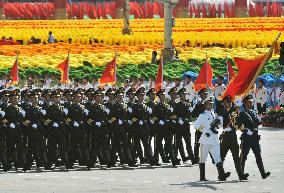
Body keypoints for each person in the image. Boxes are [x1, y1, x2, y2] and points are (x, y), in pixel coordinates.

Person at [194, 96, 230, 181]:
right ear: (206, 105)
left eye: (212, 104)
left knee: (218, 157)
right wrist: (205, 130)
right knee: (203, 158)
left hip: (214, 139)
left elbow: (219, 126)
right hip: (205, 140)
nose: (211, 105)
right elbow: (196, 125)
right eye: (210, 104)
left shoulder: (214, 114)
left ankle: (221, 175)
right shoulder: (202, 115)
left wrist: (220, 121)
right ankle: (202, 177)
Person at [237, 95, 270, 179]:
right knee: (243, 156)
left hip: (255, 138)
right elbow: (239, 126)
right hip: (247, 138)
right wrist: (246, 130)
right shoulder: (242, 114)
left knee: (258, 156)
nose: (251, 103)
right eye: (249, 102)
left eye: (252, 102)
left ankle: (263, 173)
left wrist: (260, 120)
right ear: (245, 103)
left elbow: (257, 123)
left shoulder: (254, 112)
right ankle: (241, 175)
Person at [219, 95, 249, 181]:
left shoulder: (235, 111)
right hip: (225, 138)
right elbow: (220, 123)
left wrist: (231, 128)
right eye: (226, 102)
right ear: (224, 103)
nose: (228, 103)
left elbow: (237, 123)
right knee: (221, 157)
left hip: (232, 137)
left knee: (236, 157)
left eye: (229, 102)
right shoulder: (223, 112)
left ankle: (241, 175)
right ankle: (221, 174)